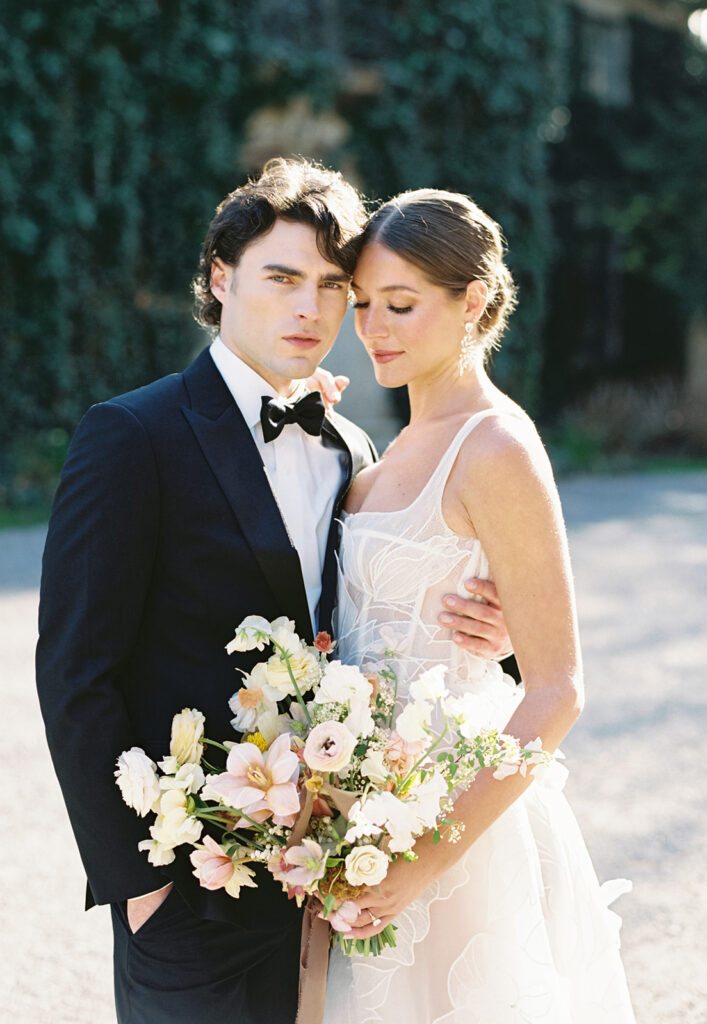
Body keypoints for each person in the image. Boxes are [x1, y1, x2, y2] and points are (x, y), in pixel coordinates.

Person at [35, 160, 512, 1024]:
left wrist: (491, 628)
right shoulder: (130, 435)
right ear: (222, 278)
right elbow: (74, 673)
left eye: (335, 286)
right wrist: (139, 887)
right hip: (187, 884)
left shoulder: (353, 450)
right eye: (283, 278)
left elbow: (382, 617)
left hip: (331, 875)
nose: (311, 309)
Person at [322, 189, 636, 1023]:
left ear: (473, 301)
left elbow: (557, 689)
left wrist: (422, 861)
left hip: (454, 830)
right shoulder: (380, 452)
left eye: (400, 304)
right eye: (361, 305)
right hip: (359, 808)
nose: (373, 328)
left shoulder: (494, 445)